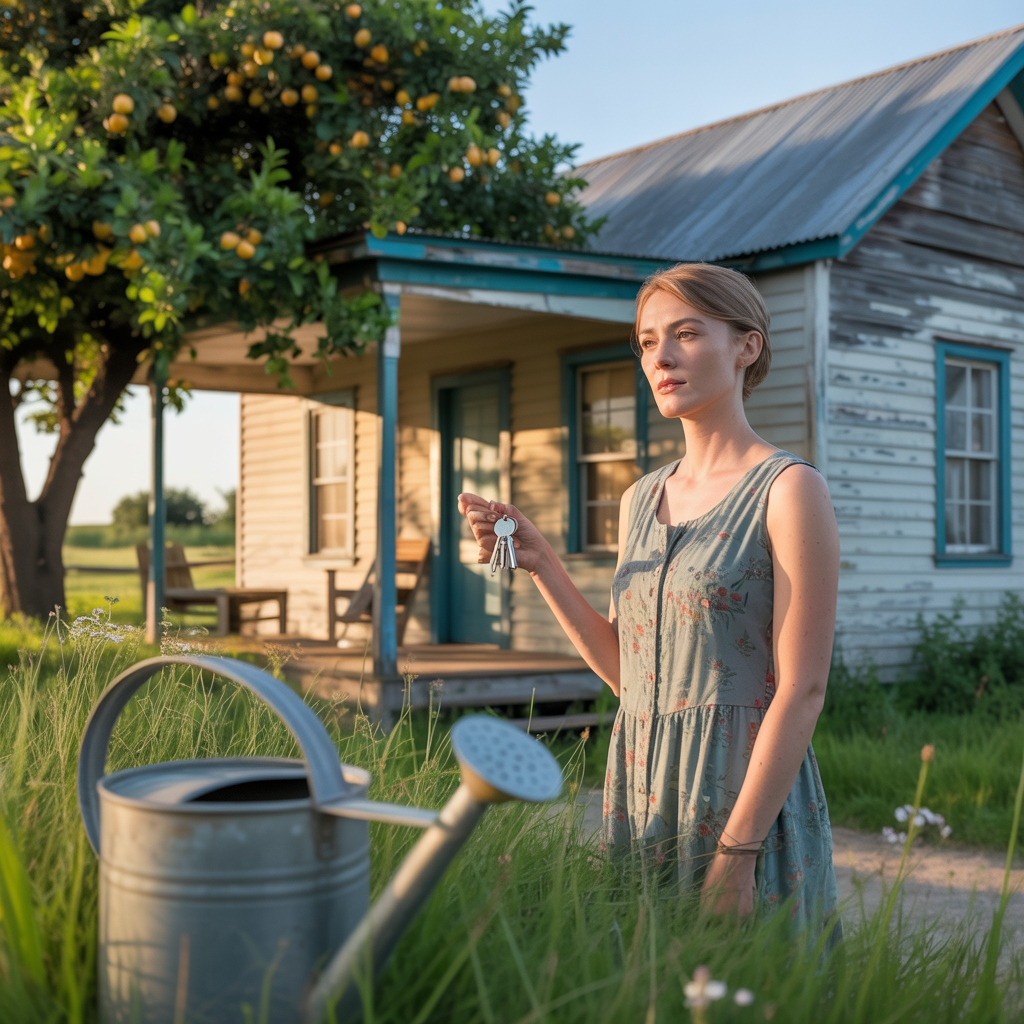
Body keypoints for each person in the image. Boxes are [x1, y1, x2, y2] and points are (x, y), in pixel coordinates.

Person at [458, 262, 840, 927]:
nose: (661, 356)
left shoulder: (788, 490)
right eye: (646, 340)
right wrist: (543, 562)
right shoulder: (639, 498)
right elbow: (628, 676)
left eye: (687, 333)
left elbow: (803, 690)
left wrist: (738, 851)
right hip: (641, 790)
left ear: (746, 346)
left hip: (743, 797)